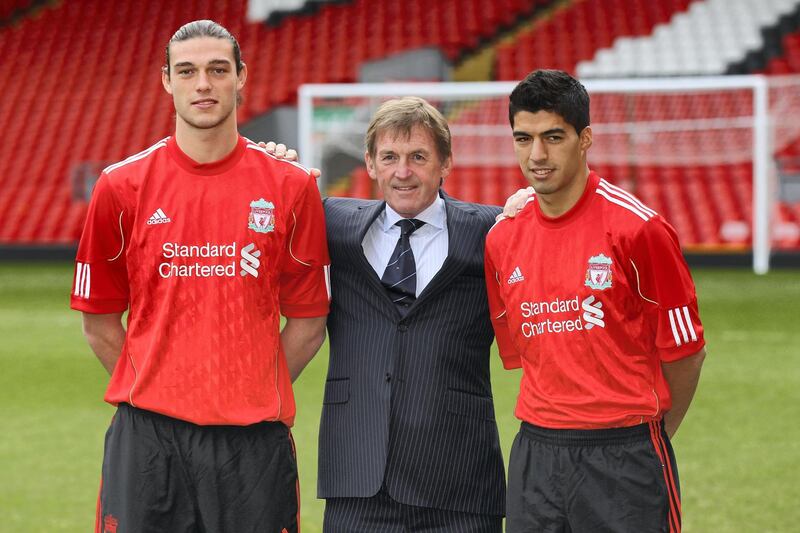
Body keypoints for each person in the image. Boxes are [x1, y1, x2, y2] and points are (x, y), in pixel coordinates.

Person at [70, 20, 329, 533]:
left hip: (253, 445)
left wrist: (250, 386)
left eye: (217, 70)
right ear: (167, 80)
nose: (203, 84)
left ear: (241, 76)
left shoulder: (290, 186)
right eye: (187, 71)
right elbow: (99, 321)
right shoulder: (120, 187)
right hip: (148, 442)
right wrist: (159, 387)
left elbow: (308, 322)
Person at [485, 69, 707, 533]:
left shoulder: (638, 230)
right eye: (523, 138)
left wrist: (653, 438)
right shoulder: (502, 238)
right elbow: (526, 354)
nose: (537, 155)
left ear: (585, 138)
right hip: (536, 453)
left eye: (553, 137)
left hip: (625, 454)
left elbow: (686, 352)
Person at [319, 97, 506, 531]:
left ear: (445, 163)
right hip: (357, 479)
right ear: (370, 164)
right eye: (390, 157)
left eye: (418, 157)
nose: (403, 172)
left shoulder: (492, 230)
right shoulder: (333, 224)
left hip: (459, 480)